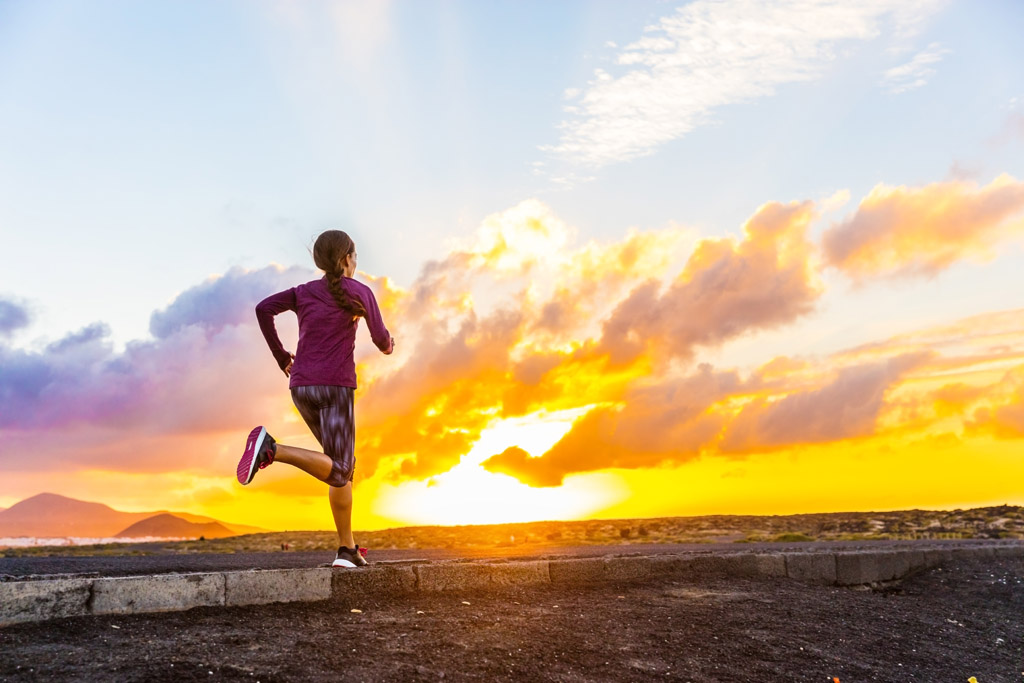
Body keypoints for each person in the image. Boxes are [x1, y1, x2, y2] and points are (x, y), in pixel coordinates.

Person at [237, 229, 394, 568]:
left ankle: (347, 550)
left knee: (342, 469)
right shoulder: (359, 292)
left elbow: (264, 309)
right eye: (355, 257)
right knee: (339, 469)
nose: (356, 263)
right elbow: (382, 340)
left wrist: (282, 357)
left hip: (301, 388)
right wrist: (389, 344)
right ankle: (271, 449)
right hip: (334, 388)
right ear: (346, 259)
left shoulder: (303, 292)